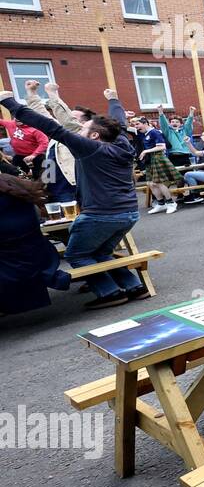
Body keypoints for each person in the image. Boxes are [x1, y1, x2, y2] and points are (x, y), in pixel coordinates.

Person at [0, 87, 148, 309]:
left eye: (83, 128)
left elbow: (50, 126)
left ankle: (109, 292)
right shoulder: (120, 143)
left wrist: (9, 103)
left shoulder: (89, 148)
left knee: (76, 254)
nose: (79, 130)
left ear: (95, 135)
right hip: (128, 214)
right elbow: (119, 123)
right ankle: (134, 285)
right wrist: (113, 100)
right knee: (100, 251)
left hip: (100, 214)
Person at [0, 162, 70, 316]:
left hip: (12, 269)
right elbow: (44, 183)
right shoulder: (16, 184)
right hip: (42, 258)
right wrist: (48, 162)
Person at [137, 117, 181, 215]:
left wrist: (145, 151)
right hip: (150, 159)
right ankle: (161, 203)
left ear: (145, 123)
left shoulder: (155, 132)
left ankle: (171, 203)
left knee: (160, 183)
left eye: (138, 124)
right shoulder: (145, 134)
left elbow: (162, 146)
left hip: (158, 158)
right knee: (151, 183)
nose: (136, 127)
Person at [0, 109, 49, 179]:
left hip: (36, 156)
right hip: (19, 156)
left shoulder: (35, 129)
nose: (17, 120)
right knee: (15, 174)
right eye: (16, 118)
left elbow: (44, 142)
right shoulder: (11, 124)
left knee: (39, 176)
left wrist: (34, 155)